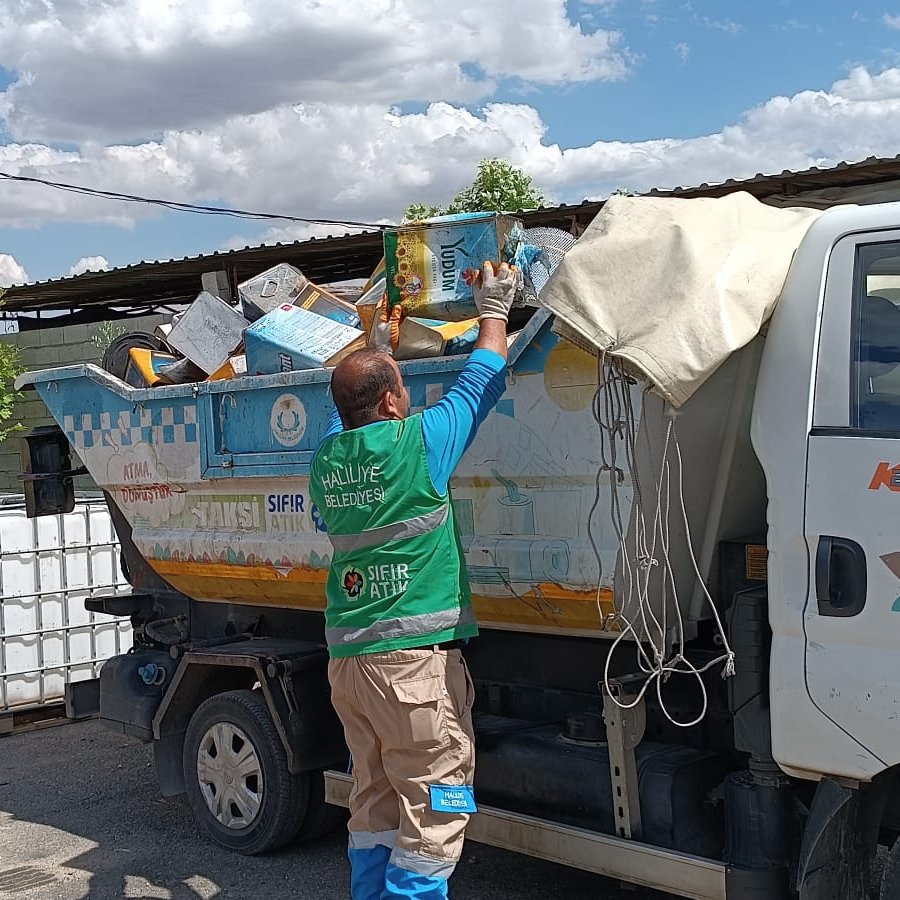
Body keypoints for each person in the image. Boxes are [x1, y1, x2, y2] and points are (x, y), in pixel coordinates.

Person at [308, 261, 519, 900]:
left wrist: (380, 348)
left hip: (351, 664)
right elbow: (482, 376)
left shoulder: (324, 460)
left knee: (372, 801)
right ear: (395, 404)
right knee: (436, 810)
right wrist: (496, 307)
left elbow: (353, 411)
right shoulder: (418, 446)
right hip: (412, 672)